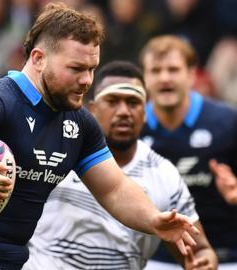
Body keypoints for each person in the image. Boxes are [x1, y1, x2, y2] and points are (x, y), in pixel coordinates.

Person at [0, 4, 199, 270]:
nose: (87, 81)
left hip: (5, 260)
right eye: (76, 68)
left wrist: (153, 220)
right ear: (38, 59)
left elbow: (115, 189)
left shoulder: (79, 124)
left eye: (92, 69)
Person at [24, 61, 217, 270]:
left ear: (145, 112)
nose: (124, 111)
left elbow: (200, 251)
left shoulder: (165, 175)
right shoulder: (56, 153)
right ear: (93, 109)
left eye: (133, 102)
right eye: (113, 101)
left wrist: (202, 263)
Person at [139, 35, 237, 269]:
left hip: (228, 255)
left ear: (192, 74)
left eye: (173, 69)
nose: (164, 78)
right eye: (155, 70)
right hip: (157, 259)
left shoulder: (227, 122)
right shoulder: (131, 126)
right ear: (144, 77)